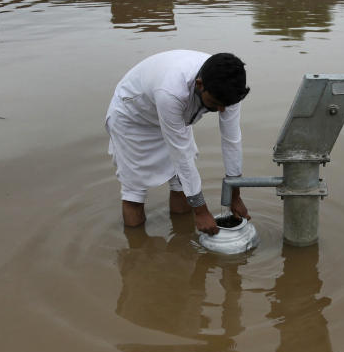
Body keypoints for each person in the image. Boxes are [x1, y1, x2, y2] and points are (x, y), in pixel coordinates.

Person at [105, 50, 251, 234]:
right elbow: (180, 155)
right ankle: (136, 251)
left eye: (226, 105)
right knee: (135, 191)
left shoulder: (229, 90)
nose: (221, 110)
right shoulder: (172, 91)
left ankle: (182, 241)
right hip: (134, 118)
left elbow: (232, 140)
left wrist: (235, 194)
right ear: (200, 85)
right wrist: (201, 210)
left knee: (180, 183)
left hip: (175, 118)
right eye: (215, 103)